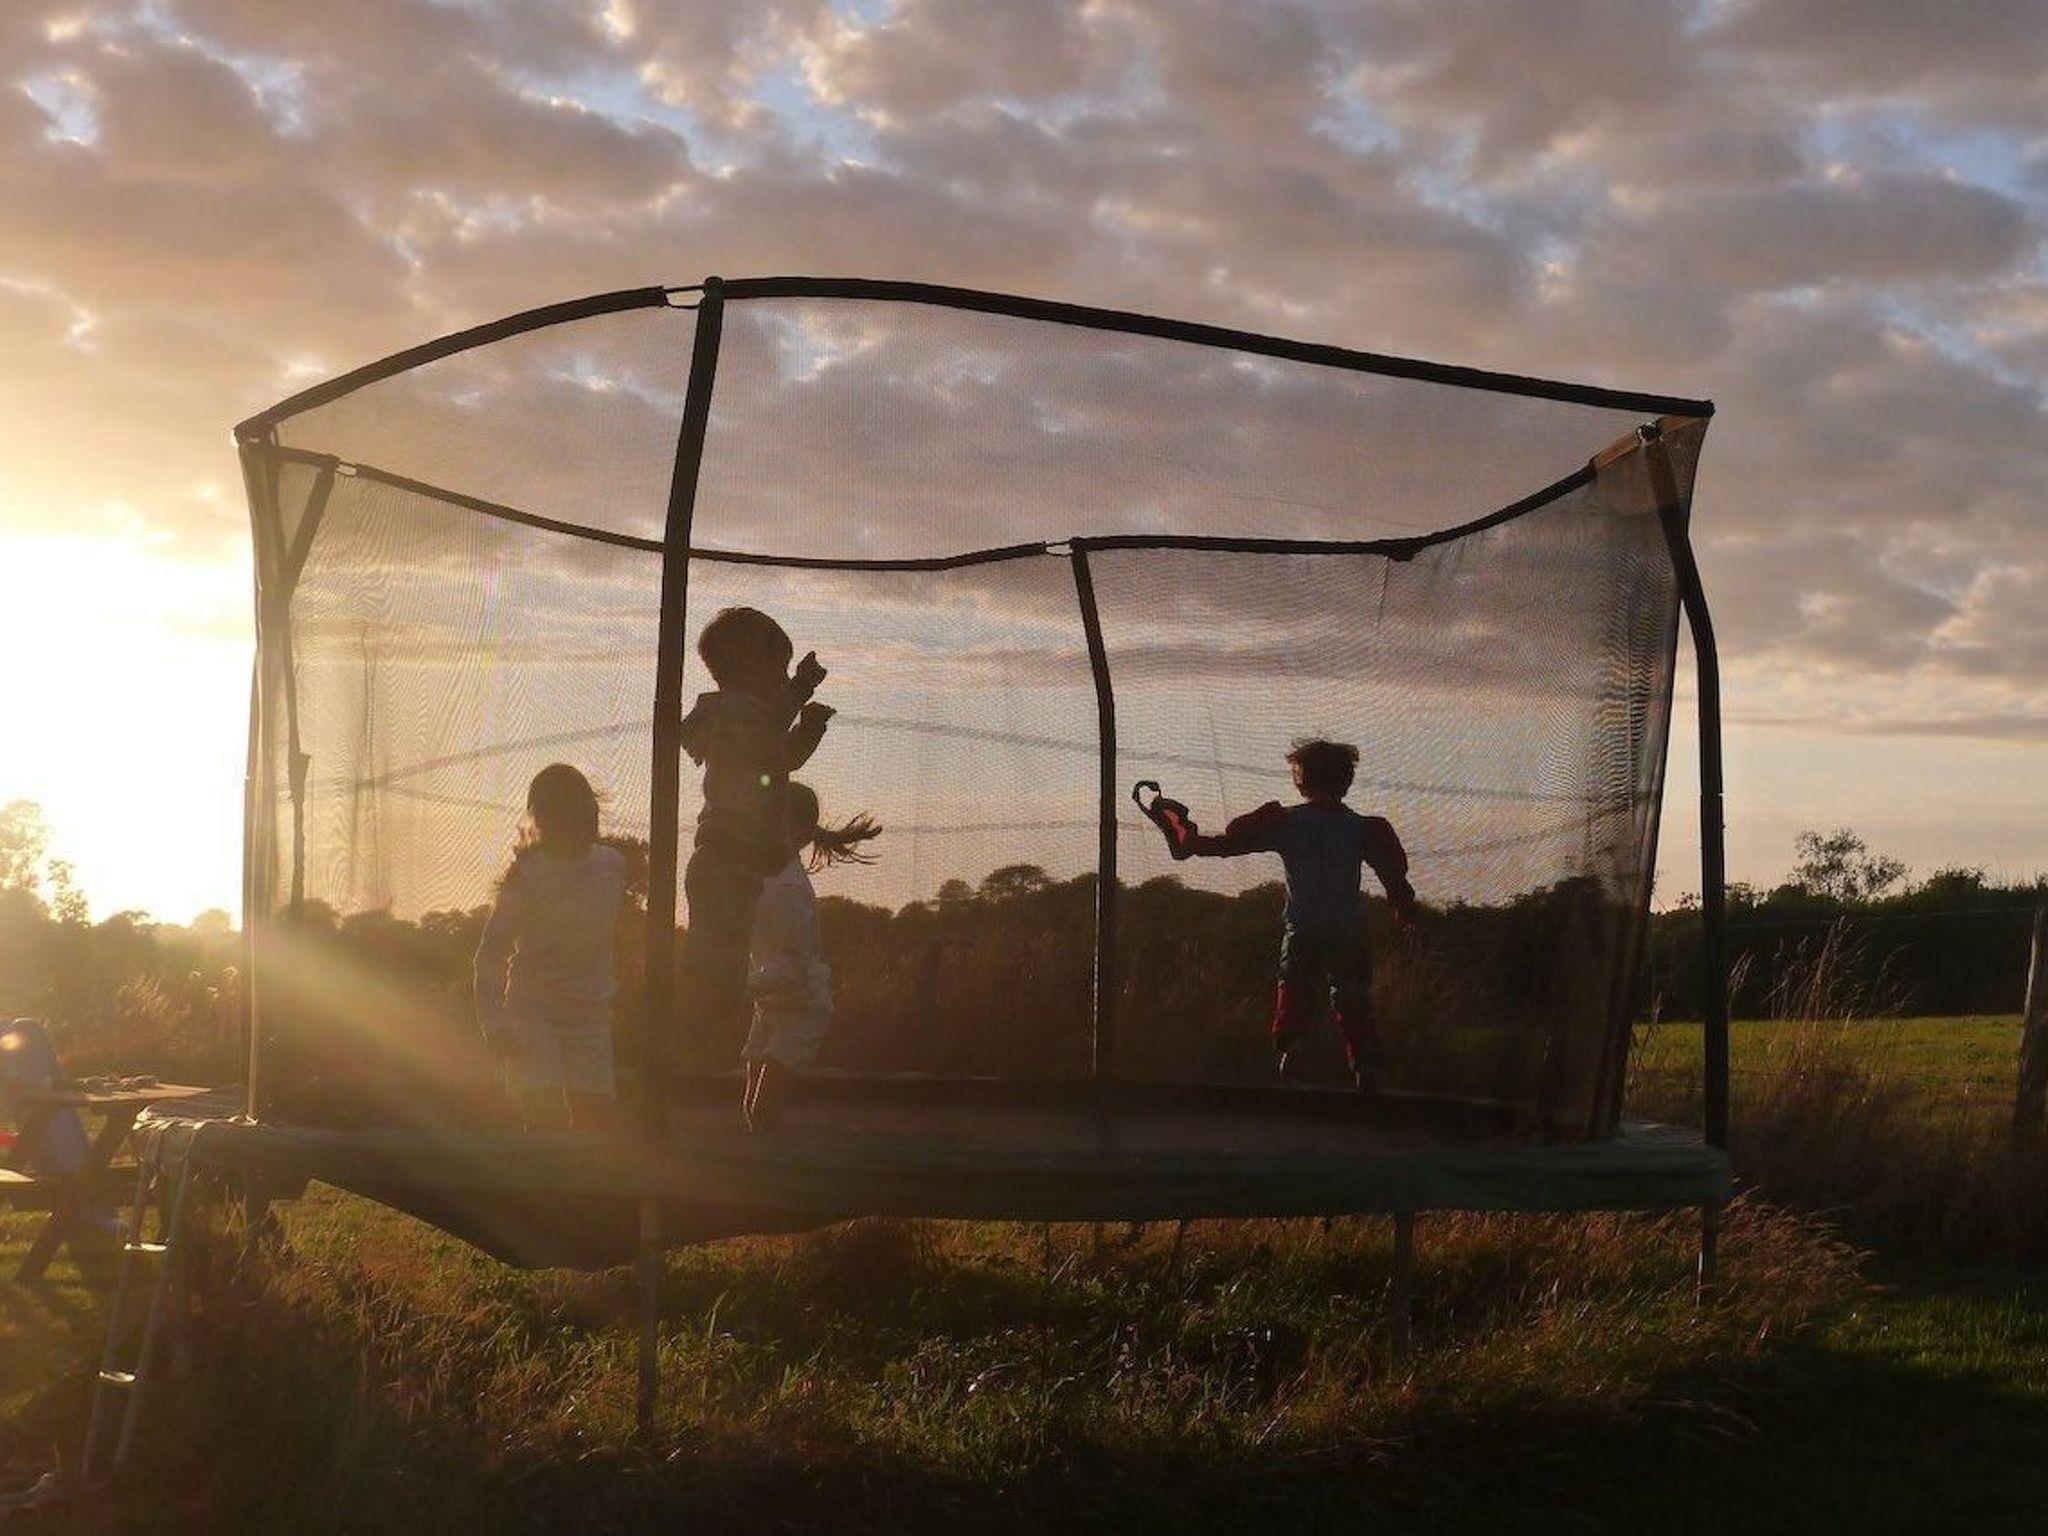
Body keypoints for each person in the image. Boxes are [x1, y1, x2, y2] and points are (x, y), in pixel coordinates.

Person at [1143, 739, 1418, 1091]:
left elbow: (1229, 845)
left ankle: (1292, 1050)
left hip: (1303, 928)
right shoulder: (1363, 829)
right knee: (1353, 998)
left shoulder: (1287, 823)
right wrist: (1406, 912)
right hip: (1348, 931)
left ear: (1301, 780)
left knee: (1295, 988)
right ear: (1346, 781)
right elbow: (1392, 875)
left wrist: (1188, 839)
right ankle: (1367, 1068)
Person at [675, 608, 835, 1066]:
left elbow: (786, 756)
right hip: (723, 861)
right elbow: (767, 725)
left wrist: (810, 727)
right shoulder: (726, 713)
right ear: (749, 669)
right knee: (715, 972)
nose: (784, 681)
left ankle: (685, 1019)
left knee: (727, 975)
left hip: (744, 867)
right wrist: (800, 690)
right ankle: (671, 1023)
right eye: (779, 671)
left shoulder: (757, 727)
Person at [474, 764, 628, 1131]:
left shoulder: (613, 866)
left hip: (591, 1013)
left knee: (597, 1123)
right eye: (560, 812)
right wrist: (493, 1021)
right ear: (544, 819)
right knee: (545, 1118)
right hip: (533, 1013)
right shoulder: (528, 875)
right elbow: (491, 953)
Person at [742, 781, 881, 1132]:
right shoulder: (759, 876)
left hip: (801, 1012)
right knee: (753, 1110)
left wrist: (740, 986)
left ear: (802, 832)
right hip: (768, 1006)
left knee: (763, 1112)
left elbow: (793, 969)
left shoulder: (789, 890)